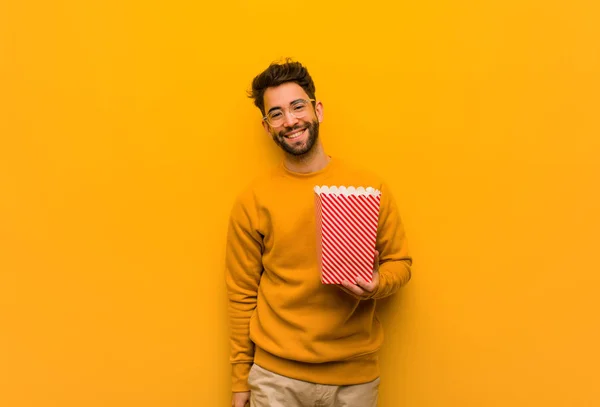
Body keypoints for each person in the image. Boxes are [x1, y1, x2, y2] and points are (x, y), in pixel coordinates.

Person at [225, 59, 412, 407]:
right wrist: (240, 384)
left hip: (354, 379)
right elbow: (240, 296)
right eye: (276, 114)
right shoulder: (253, 200)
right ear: (267, 128)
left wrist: (377, 285)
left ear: (318, 109)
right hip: (276, 379)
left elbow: (399, 262)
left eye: (297, 107)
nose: (290, 120)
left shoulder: (369, 187)